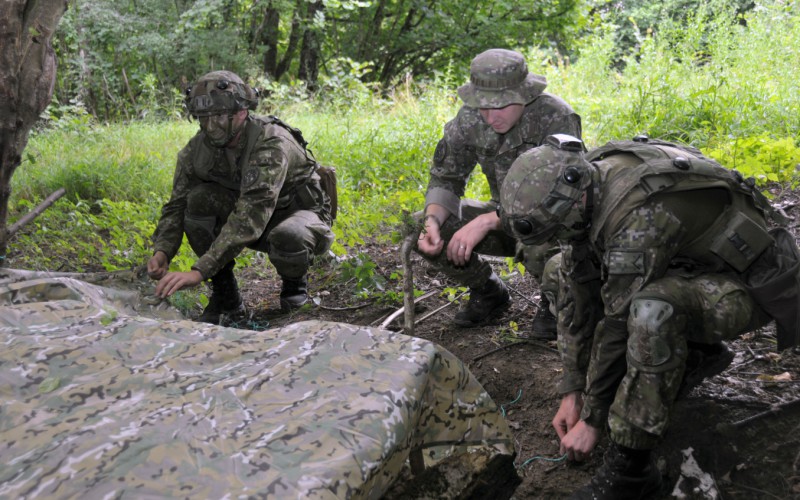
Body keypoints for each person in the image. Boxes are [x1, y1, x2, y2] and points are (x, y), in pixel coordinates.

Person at [499, 133, 800, 499]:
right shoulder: (588, 180)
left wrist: (594, 419)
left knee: (652, 310)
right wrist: (573, 389)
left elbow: (615, 322)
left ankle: (631, 468)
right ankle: (696, 355)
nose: (562, 235)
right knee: (558, 269)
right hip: (687, 265)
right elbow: (578, 292)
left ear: (575, 199)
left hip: (744, 286)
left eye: (561, 227)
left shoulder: (637, 218)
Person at [416, 48, 582, 338]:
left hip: (550, 224)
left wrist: (487, 221)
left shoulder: (556, 117)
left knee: (536, 234)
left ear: (524, 93)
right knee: (419, 224)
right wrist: (432, 219)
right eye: (483, 106)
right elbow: (446, 177)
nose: (491, 117)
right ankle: (488, 290)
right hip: (502, 218)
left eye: (501, 105)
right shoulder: (469, 120)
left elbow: (563, 197)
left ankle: (554, 300)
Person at [147, 70, 334, 323]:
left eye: (220, 116)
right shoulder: (196, 149)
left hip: (296, 213)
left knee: (289, 236)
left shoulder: (270, 143)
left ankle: (294, 281)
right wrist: (163, 251)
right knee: (197, 200)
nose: (212, 126)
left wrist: (199, 271)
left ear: (242, 113)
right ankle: (227, 296)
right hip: (249, 216)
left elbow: (254, 209)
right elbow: (177, 204)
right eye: (204, 118)